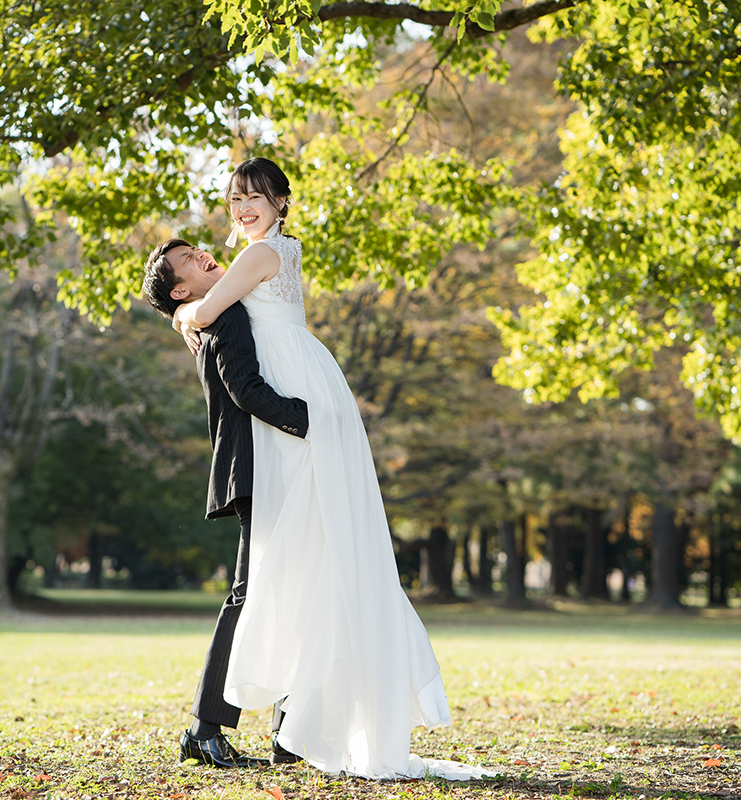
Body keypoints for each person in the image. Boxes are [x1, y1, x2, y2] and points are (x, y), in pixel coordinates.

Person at [168, 157, 495, 780]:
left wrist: (186, 313)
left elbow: (206, 314)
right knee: (298, 568)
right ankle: (281, 731)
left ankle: (256, 728)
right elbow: (222, 328)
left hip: (296, 412)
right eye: (236, 196)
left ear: (282, 202)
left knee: (284, 573)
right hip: (301, 405)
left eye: (257, 195)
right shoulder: (272, 254)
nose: (244, 205)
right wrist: (191, 306)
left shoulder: (258, 256)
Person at [141, 238, 308, 769]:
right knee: (249, 594)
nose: (203, 255)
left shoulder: (213, 312)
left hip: (259, 468)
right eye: (187, 261)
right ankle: (206, 728)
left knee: (285, 594)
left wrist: (186, 314)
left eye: (197, 249)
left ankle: (286, 732)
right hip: (259, 469)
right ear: (182, 289)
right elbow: (244, 389)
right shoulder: (227, 316)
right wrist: (311, 418)